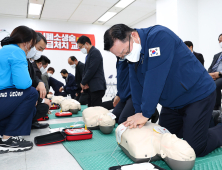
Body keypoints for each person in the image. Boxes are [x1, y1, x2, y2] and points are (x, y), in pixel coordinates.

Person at [103, 24, 222, 157]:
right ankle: (208, 120)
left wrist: (145, 114)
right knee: (163, 141)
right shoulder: (133, 54)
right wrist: (139, 112)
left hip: (197, 95)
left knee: (194, 148)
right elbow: (135, 83)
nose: (125, 57)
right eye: (121, 56)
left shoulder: (159, 37)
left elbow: (155, 78)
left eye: (125, 51)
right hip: (172, 103)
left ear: (134, 36)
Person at [0, 26, 39, 153]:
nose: (32, 49)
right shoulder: (16, 52)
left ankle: (4, 134)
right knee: (32, 93)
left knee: (31, 108)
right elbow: (23, 84)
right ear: (26, 43)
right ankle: (7, 140)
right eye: (33, 45)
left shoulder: (5, 49)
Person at [26, 34, 50, 129]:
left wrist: (40, 83)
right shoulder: (19, 58)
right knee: (44, 105)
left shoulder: (29, 61)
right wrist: (39, 99)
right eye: (39, 48)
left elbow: (34, 78)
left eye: (42, 50)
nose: (40, 52)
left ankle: (31, 122)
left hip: (29, 94)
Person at [77, 35, 106, 106]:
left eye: (81, 47)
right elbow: (86, 70)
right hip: (91, 87)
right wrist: (84, 82)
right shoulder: (89, 54)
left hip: (97, 87)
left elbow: (91, 70)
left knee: (95, 109)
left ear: (86, 44)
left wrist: (83, 82)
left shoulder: (95, 52)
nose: (81, 49)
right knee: (91, 108)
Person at [208, 34, 222, 110]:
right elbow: (211, 67)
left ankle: (216, 108)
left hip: (221, 76)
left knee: (215, 85)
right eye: (219, 41)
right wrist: (209, 75)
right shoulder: (217, 55)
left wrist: (219, 74)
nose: (220, 42)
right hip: (213, 76)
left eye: (221, 40)